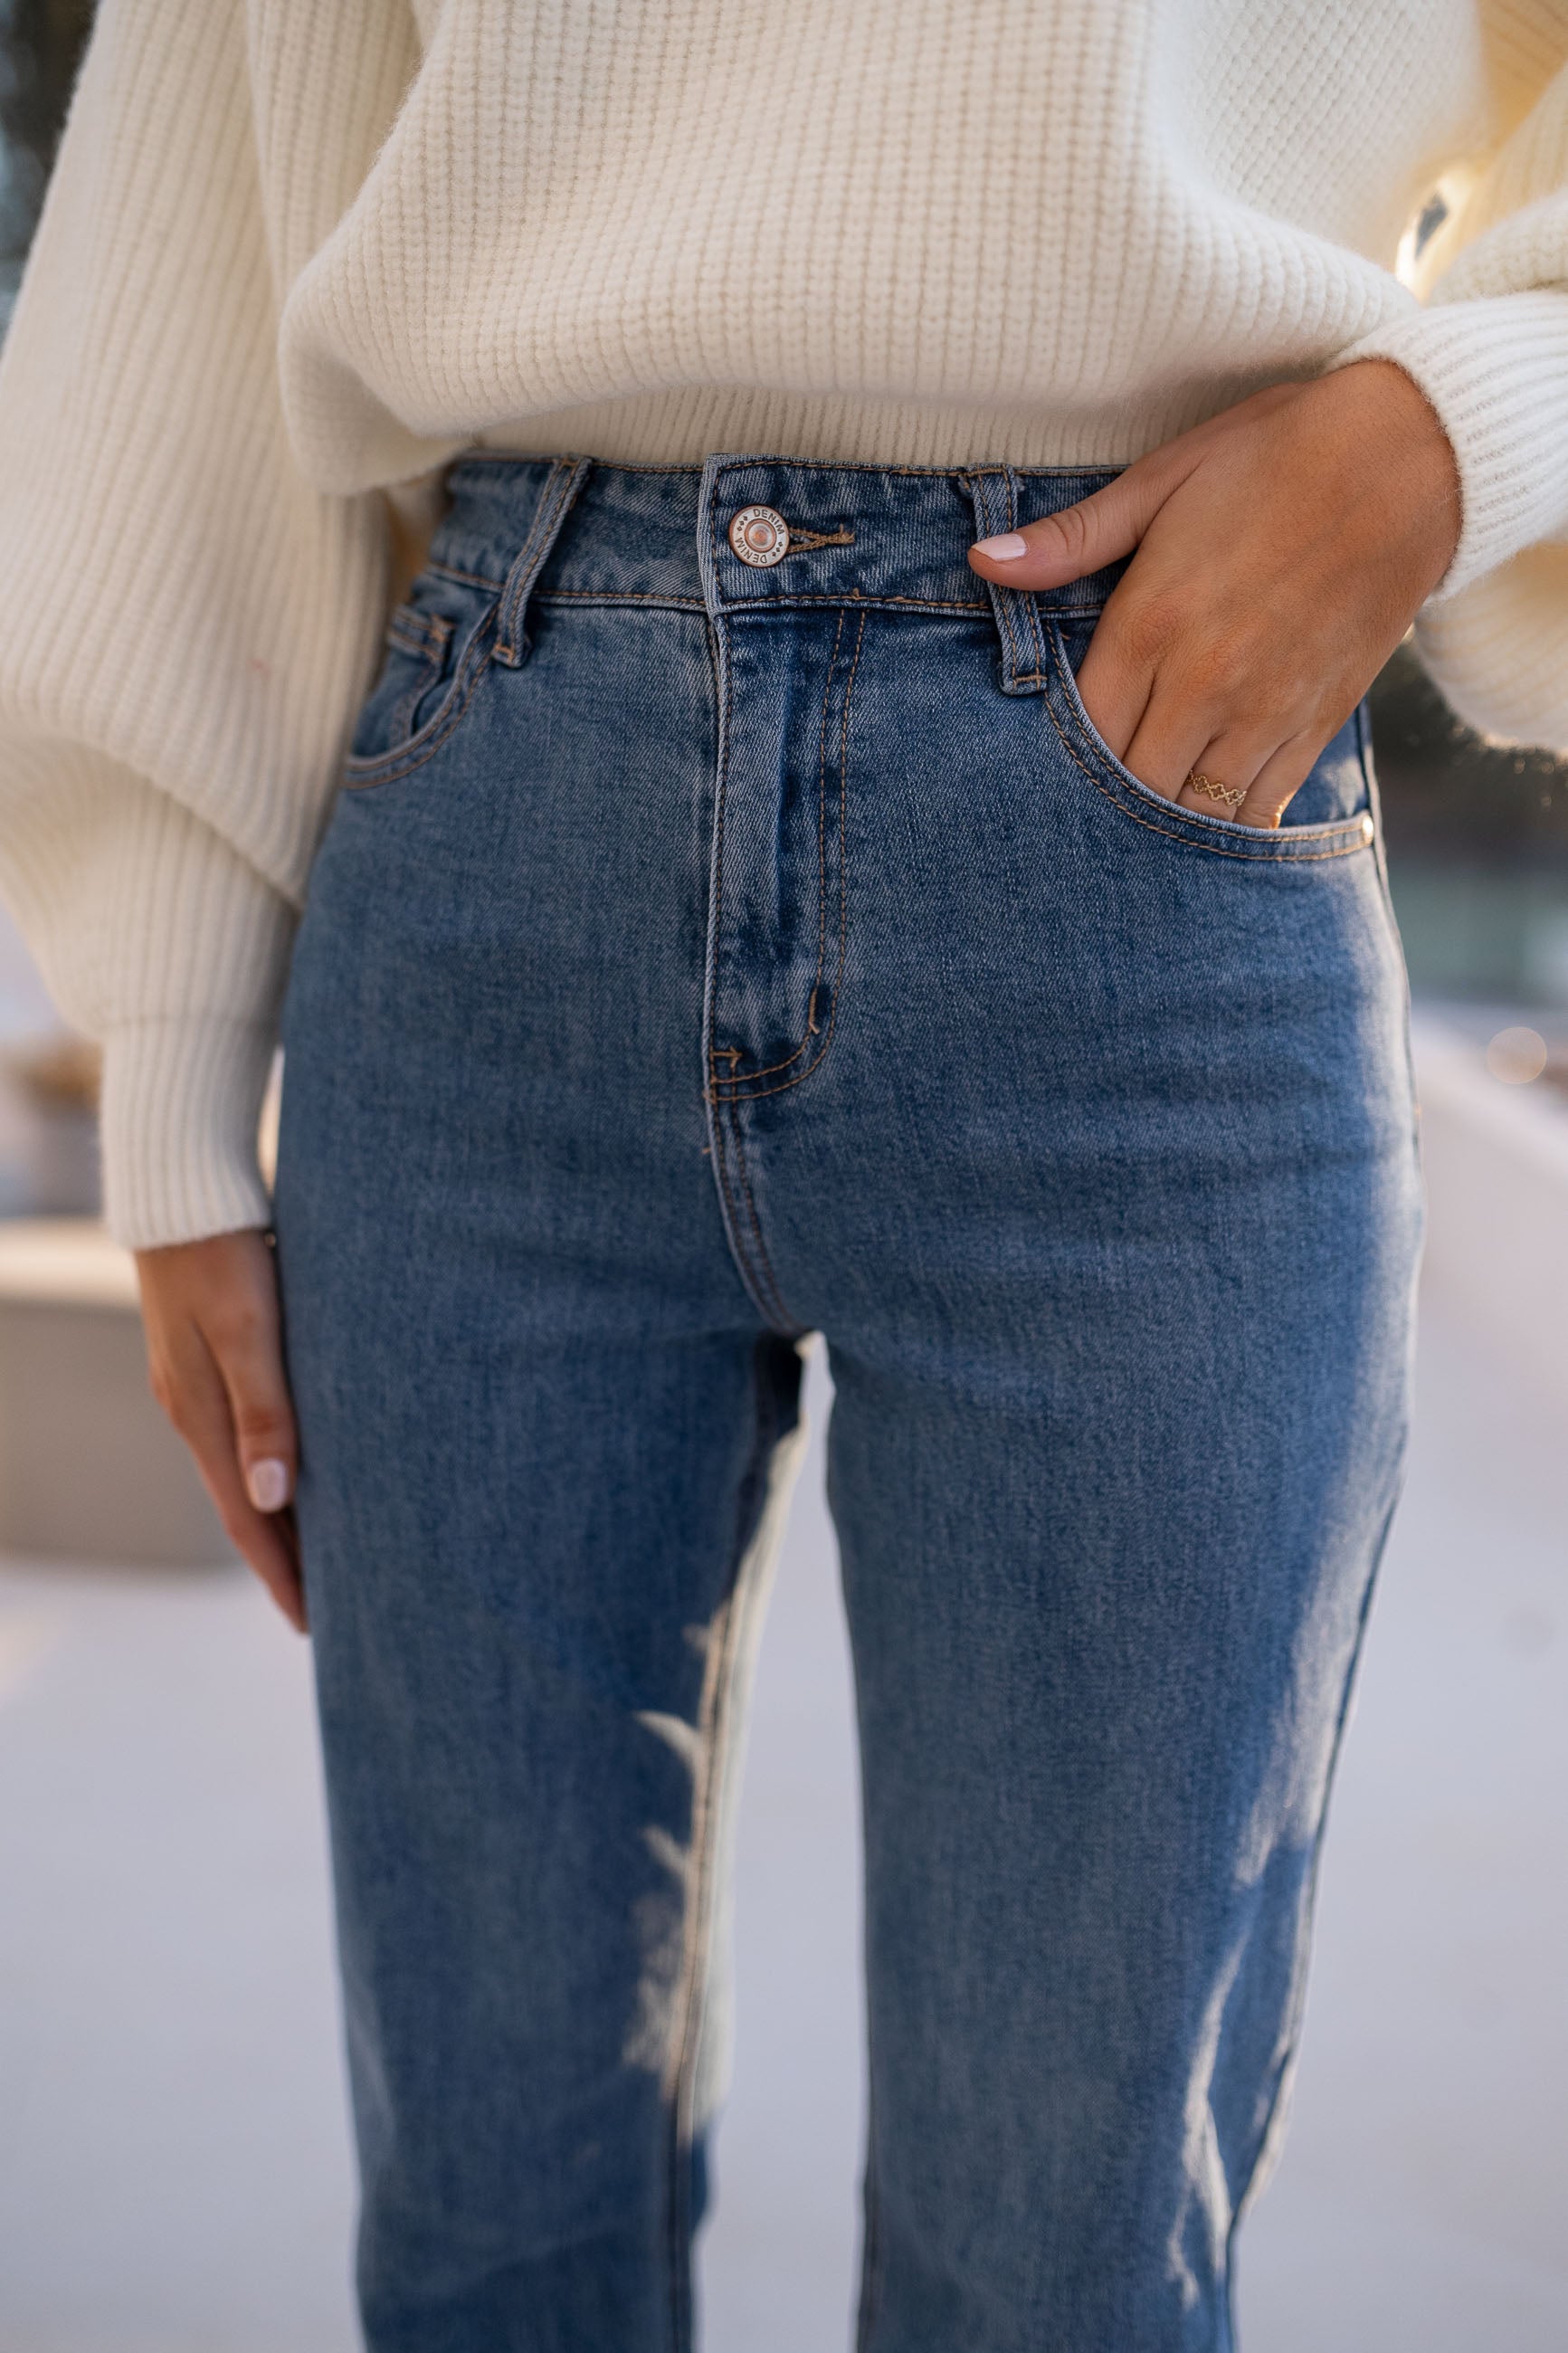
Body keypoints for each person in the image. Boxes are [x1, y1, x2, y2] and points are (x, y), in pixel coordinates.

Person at [0, 4, 1564, 2346]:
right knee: (487, 2227)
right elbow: (210, 205)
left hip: (1152, 863)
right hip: (497, 815)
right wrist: (176, 1066)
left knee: (1069, 2251)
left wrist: (1461, 426)